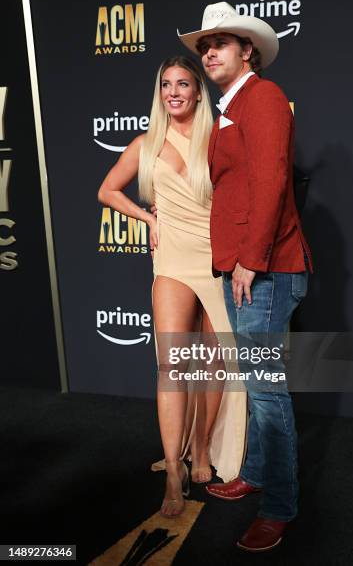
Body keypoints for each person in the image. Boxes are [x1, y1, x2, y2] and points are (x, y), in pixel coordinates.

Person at [178, 3, 313, 550]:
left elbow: (272, 182)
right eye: (204, 45)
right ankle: (256, 473)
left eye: (221, 44)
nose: (209, 52)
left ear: (247, 50)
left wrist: (251, 260)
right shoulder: (232, 106)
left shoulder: (265, 97)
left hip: (266, 269)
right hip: (241, 266)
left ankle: (279, 506)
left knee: (267, 392)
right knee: (259, 390)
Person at [98, 55, 246, 518]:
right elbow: (107, 190)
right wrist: (147, 217)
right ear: (159, 93)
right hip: (173, 260)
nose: (174, 92)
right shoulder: (146, 143)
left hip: (217, 257)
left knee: (214, 362)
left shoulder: (217, 139)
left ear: (199, 91)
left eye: (184, 83)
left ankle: (201, 450)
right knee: (172, 365)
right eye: (166, 85)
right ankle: (175, 476)